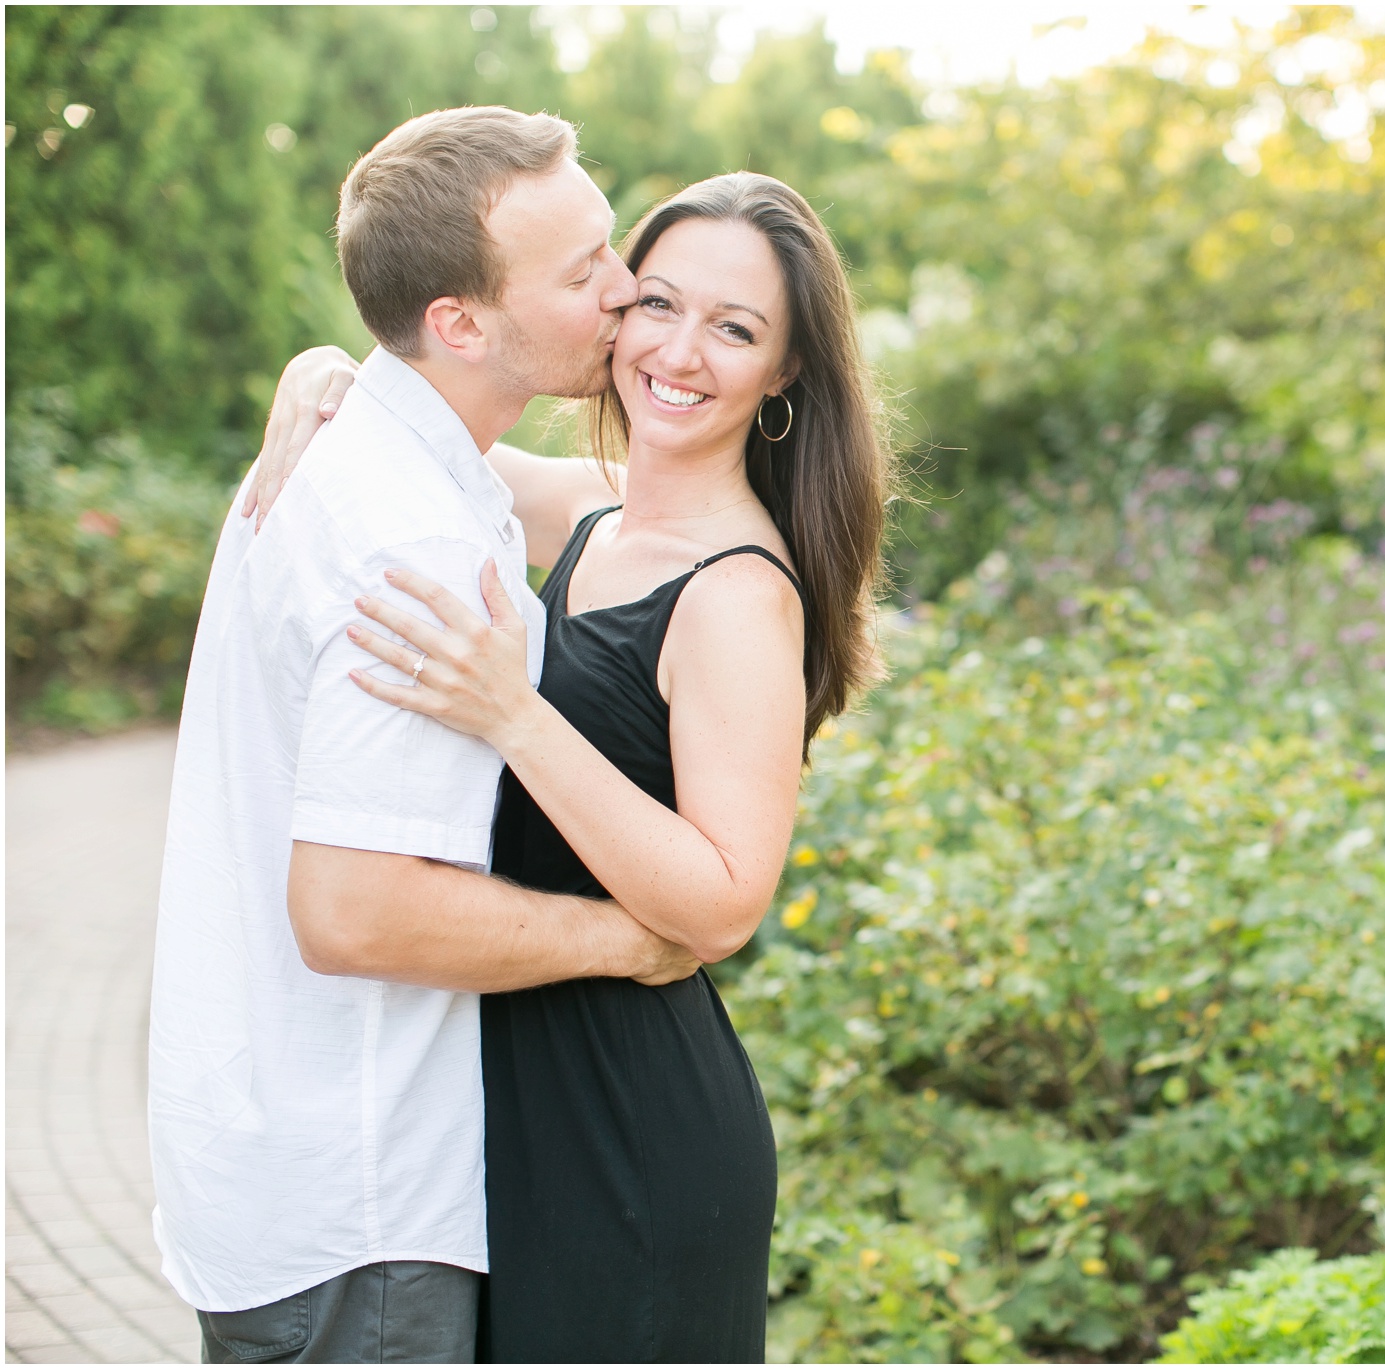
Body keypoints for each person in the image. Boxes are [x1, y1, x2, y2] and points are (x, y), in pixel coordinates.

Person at [252, 172, 892, 1360]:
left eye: (735, 328)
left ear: (784, 373)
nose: (679, 351)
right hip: (520, 1111)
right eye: (657, 302)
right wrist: (319, 374)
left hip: (631, 1128)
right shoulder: (599, 512)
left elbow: (724, 899)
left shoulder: (740, 596)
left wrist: (516, 718)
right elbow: (424, 429)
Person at [148, 107, 707, 1364]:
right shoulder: (410, 537)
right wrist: (627, 937)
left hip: (281, 1167)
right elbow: (353, 912)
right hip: (359, 1201)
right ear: (457, 321)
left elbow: (650, 512)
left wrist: (321, 361)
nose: (624, 294)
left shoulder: (376, 454)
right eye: (583, 274)